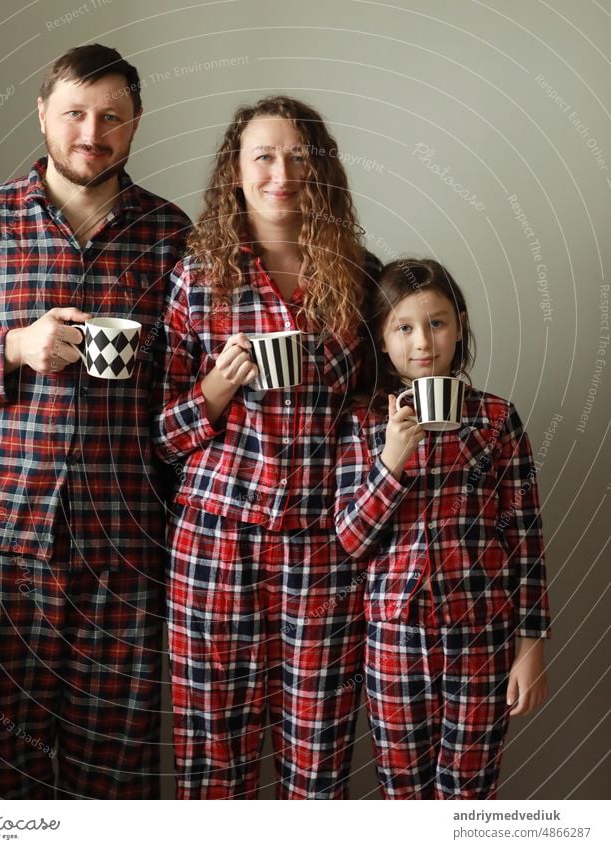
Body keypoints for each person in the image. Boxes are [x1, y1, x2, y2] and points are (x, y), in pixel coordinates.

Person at [0, 44, 190, 799]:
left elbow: (188, 390)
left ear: (134, 124)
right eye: (73, 113)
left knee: (116, 776)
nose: (90, 132)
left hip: (126, 547)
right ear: (42, 114)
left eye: (110, 117)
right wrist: (12, 347)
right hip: (2, 542)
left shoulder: (171, 234)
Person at [154, 95, 381, 799]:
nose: (281, 172)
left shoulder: (362, 277)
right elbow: (162, 435)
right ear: (236, 172)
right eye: (263, 155)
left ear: (322, 172)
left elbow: (371, 417)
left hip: (321, 549)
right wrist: (217, 387)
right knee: (211, 758)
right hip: (215, 542)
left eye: (298, 156)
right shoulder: (198, 277)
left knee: (316, 761)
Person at [333, 258, 551, 799]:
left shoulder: (497, 420)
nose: (422, 342)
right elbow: (351, 540)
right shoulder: (362, 426)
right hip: (394, 639)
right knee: (403, 796)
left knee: (469, 795)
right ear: (382, 340)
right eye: (403, 328)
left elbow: (525, 539)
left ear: (459, 326)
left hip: (482, 634)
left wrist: (530, 648)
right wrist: (392, 460)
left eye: (437, 323)